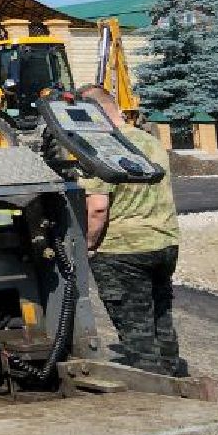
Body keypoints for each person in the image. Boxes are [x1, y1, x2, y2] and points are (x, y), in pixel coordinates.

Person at [76, 84, 186, 377]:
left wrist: (86, 244)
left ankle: (152, 388)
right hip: (164, 243)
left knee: (136, 329)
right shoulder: (149, 142)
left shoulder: (102, 147)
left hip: (122, 250)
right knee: (160, 317)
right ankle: (174, 374)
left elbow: (98, 208)